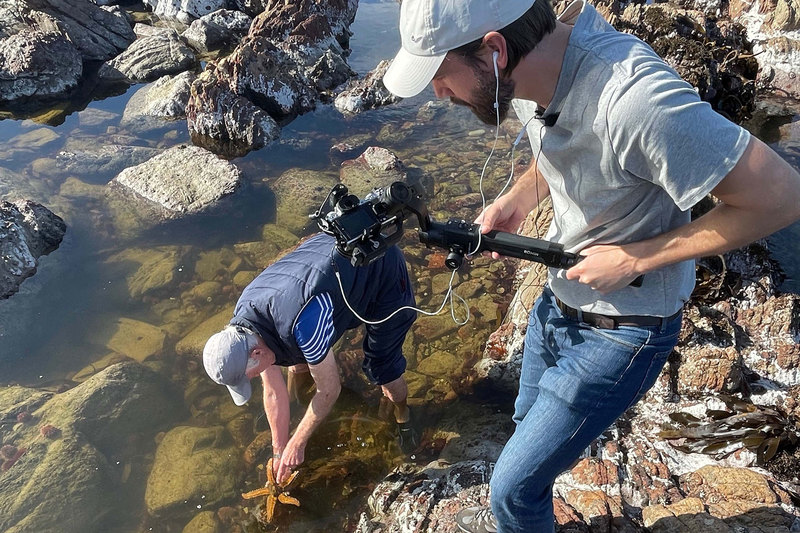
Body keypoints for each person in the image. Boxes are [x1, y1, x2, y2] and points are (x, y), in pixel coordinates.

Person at [382, 0, 800, 531]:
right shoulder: (540, 66)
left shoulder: (635, 101)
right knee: (523, 426)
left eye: (440, 75)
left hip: (626, 330)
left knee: (512, 490)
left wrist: (635, 257)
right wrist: (519, 198)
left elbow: (782, 198)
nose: (439, 94)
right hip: (557, 305)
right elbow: (558, 141)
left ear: (493, 50)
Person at [203, 232, 419, 484]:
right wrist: (279, 450)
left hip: (380, 267)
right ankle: (300, 398)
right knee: (290, 355)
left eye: (247, 377)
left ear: (256, 353)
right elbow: (273, 392)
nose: (251, 380)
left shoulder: (303, 324)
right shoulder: (244, 324)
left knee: (383, 368)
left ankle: (403, 414)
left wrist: (299, 441)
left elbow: (330, 390)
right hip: (330, 266)